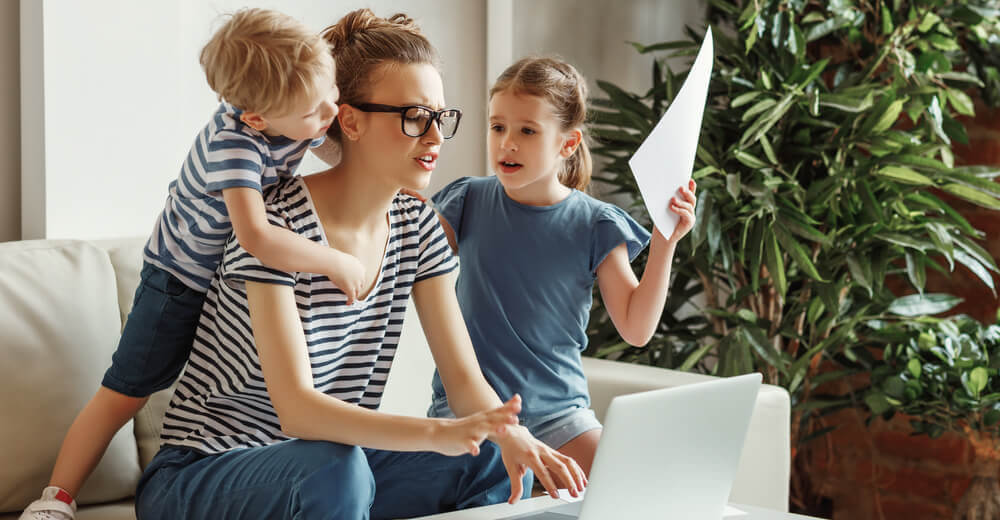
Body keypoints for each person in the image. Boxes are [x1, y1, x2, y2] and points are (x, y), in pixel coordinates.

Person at [134, 10, 586, 520]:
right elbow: (297, 410)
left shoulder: (417, 226)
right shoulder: (275, 225)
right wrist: (438, 433)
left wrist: (511, 434)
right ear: (349, 120)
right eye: (415, 117)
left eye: (441, 117)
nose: (435, 137)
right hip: (205, 471)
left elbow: (463, 380)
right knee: (337, 467)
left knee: (492, 461)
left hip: (330, 467)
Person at [19, 9, 368, 520]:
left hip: (225, 282)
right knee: (125, 392)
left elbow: (347, 153)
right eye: (315, 112)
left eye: (332, 94)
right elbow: (256, 235)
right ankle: (57, 499)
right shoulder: (234, 145)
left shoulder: (299, 110)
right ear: (255, 118)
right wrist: (334, 261)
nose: (331, 114)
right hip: (178, 282)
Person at [426, 57, 698, 475]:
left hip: (560, 418)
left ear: (567, 144)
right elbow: (402, 262)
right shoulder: (466, 202)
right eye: (498, 127)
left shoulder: (596, 224)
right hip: (468, 414)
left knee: (629, 484)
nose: (507, 143)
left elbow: (636, 328)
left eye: (527, 131)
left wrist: (665, 242)